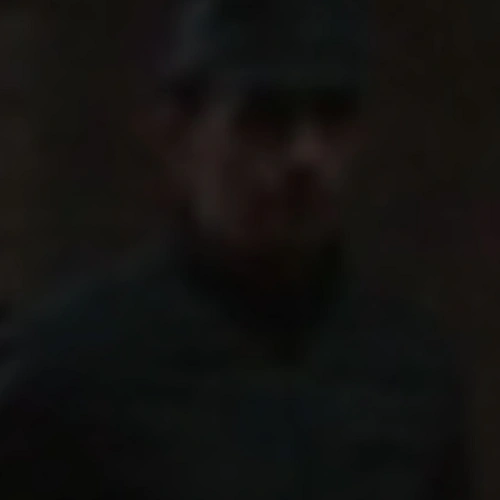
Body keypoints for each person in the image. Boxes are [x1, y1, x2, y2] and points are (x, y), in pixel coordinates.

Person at [0, 1, 470, 498]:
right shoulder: (73, 372)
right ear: (180, 138)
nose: (305, 158)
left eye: (331, 120)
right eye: (265, 120)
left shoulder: (407, 375)